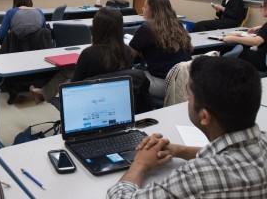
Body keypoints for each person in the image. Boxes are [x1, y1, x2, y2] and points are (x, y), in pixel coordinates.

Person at [107, 56, 266, 198]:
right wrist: (179, 151)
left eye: (189, 95)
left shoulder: (199, 177)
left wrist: (140, 164)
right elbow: (233, 155)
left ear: (204, 116)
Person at [30, 8, 132, 102]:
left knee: (68, 74)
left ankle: (43, 94)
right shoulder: (127, 51)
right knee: (69, 69)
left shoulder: (89, 54)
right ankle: (43, 93)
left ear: (96, 28)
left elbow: (74, 85)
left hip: (88, 98)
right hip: (118, 97)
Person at [129, 0, 192, 98]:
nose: (143, 9)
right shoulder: (178, 24)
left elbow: (129, 56)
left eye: (145, 6)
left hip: (163, 84)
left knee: (128, 77)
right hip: (185, 82)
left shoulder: (146, 28)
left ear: (152, 10)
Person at [222, 0, 267, 71]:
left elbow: (256, 42)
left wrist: (232, 38)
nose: (260, 9)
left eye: (261, 6)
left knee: (229, 50)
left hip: (262, 62)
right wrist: (260, 27)